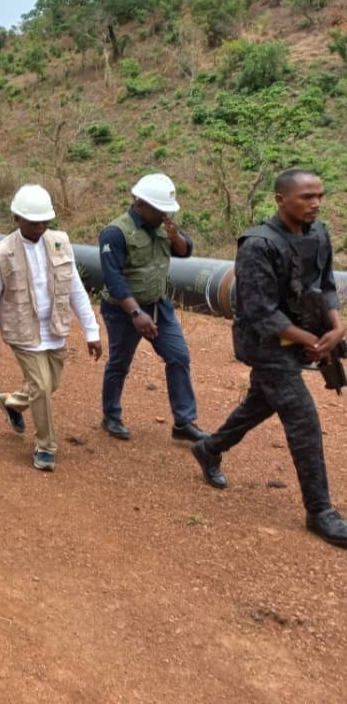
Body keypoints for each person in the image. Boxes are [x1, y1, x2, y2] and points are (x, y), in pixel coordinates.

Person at [191, 170, 347, 548]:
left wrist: (337, 330)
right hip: (264, 342)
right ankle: (320, 511)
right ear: (280, 199)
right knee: (303, 419)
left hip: (299, 332)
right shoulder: (257, 245)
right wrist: (313, 340)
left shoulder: (318, 234)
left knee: (261, 403)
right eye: (306, 197)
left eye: (319, 196)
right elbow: (260, 312)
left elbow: (324, 286)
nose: (315, 203)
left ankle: (208, 448)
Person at [0, 185, 102, 472]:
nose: (40, 227)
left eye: (45, 221)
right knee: (41, 386)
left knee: (50, 385)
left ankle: (12, 403)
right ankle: (45, 447)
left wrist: (92, 331)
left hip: (54, 330)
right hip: (23, 332)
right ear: (16, 218)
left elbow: (76, 288)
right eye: (33, 222)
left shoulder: (59, 242)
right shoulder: (2, 254)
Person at [98, 173, 206, 443]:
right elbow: (113, 279)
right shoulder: (116, 232)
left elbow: (185, 250)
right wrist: (135, 313)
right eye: (160, 210)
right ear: (140, 204)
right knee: (120, 363)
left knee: (178, 356)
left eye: (167, 210)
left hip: (158, 305)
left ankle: (184, 422)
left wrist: (176, 236)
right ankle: (111, 416)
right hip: (123, 311)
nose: (165, 215)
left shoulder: (163, 225)